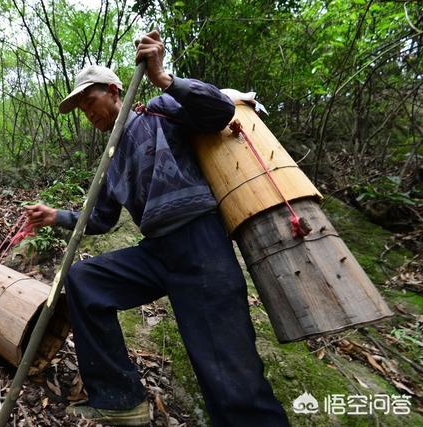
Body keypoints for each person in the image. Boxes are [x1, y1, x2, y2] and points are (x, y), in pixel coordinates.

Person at [24, 30, 290, 427]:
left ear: (115, 91)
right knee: (85, 281)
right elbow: (102, 219)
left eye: (90, 101)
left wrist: (162, 77)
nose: (89, 113)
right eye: (81, 109)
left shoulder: (162, 110)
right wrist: (56, 216)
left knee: (226, 373)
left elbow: (219, 111)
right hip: (157, 252)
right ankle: (120, 400)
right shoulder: (112, 159)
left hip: (200, 246)